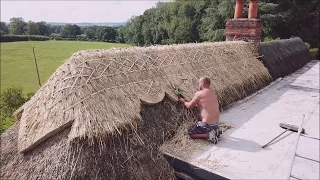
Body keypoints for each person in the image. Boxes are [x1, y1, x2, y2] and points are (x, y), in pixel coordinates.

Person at [178, 77, 222, 144]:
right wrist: (190, 102)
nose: (198, 85)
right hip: (216, 124)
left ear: (202, 83)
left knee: (190, 133)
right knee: (201, 122)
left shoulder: (199, 93)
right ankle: (216, 130)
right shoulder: (213, 93)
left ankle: (209, 135)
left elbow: (189, 106)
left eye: (199, 83)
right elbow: (203, 105)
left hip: (207, 125)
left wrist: (183, 101)